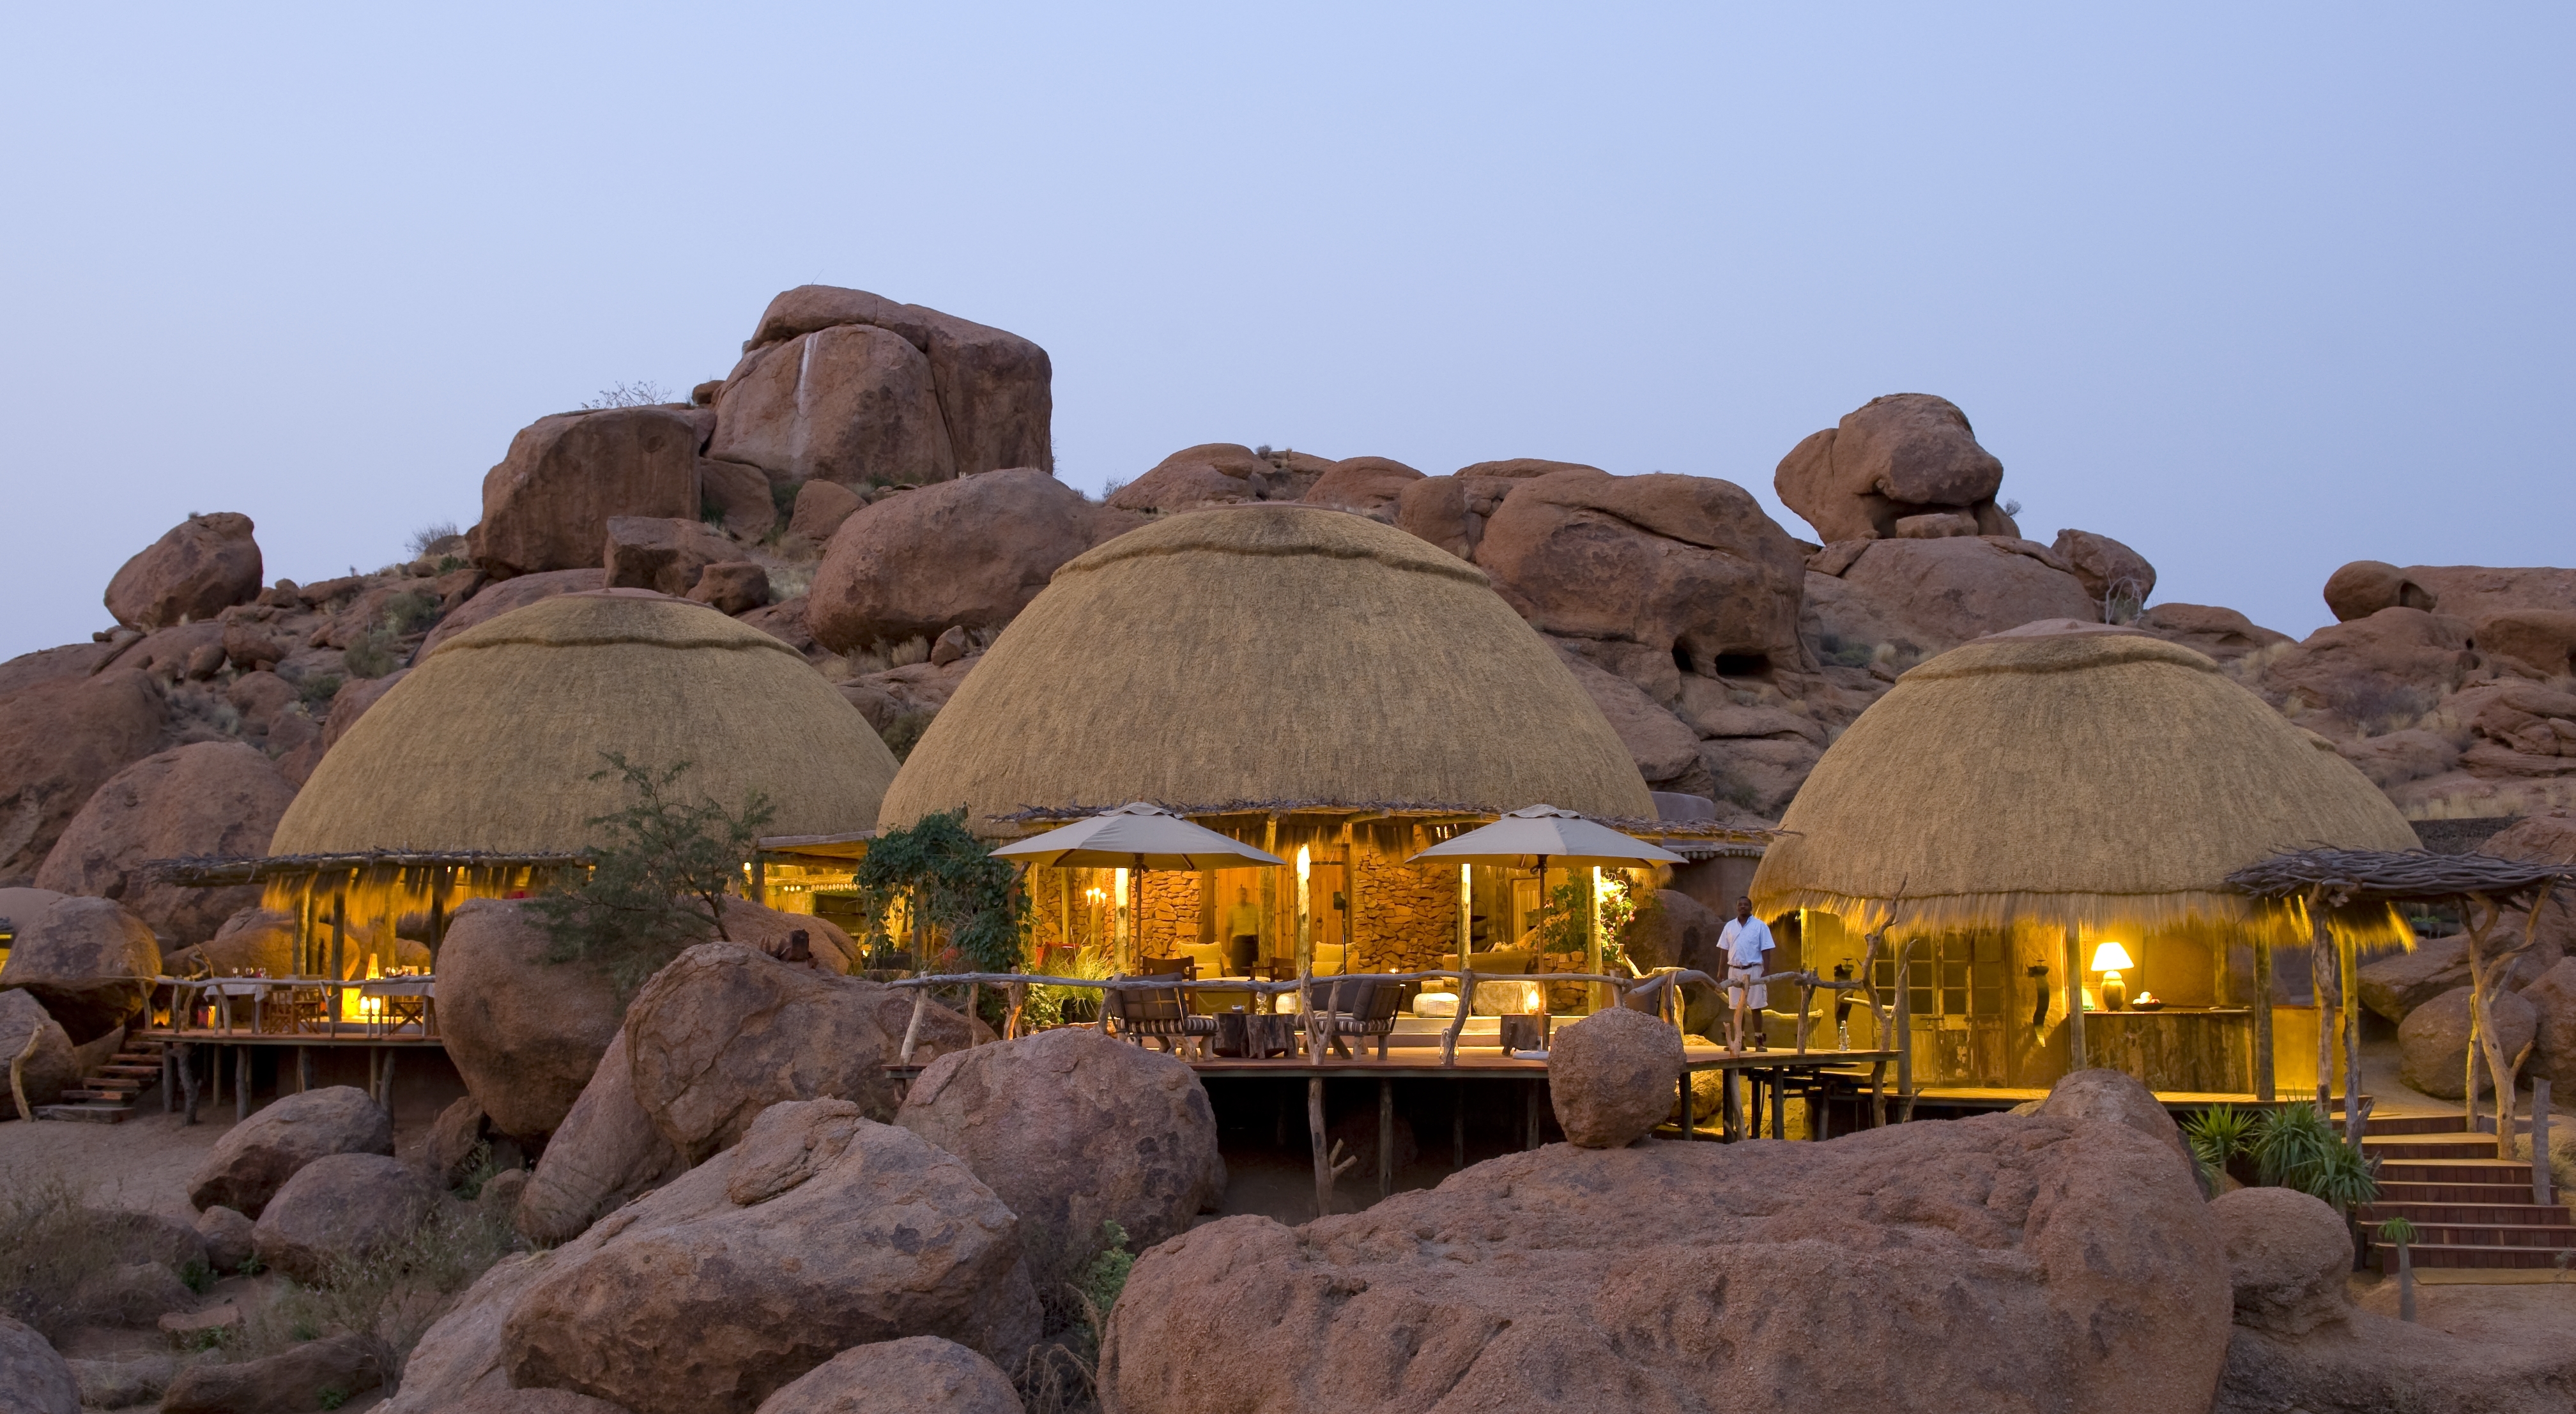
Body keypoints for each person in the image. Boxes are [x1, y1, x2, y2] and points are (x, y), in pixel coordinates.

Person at [1717, 897, 1774, 1053]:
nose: (1743, 907)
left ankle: (1759, 1042)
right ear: (1737, 907)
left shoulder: (1760, 926)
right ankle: (1739, 1041)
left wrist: (1766, 969)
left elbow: (1766, 948)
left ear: (1751, 907)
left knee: (1756, 1006)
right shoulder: (1730, 926)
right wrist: (1721, 969)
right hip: (1734, 970)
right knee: (1737, 1007)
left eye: (1746, 905)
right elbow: (1724, 949)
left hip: (1754, 969)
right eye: (1740, 905)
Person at [1223, 886, 1262, 975]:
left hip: (1251, 942)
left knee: (1251, 969)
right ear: (1236, 896)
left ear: (1247, 895)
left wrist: (1259, 945)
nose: (1242, 896)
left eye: (1244, 894)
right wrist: (1227, 947)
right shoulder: (1231, 910)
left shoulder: (1254, 908)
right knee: (1237, 968)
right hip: (1238, 942)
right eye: (1240, 894)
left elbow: (1259, 927)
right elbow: (1228, 928)